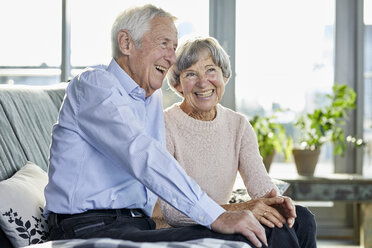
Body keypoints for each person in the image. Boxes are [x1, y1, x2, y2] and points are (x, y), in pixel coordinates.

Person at [44, 4, 301, 248]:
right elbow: (144, 155)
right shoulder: (95, 85)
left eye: (174, 47)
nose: (171, 57)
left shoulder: (150, 98)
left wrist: (269, 205)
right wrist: (219, 216)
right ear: (126, 43)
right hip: (89, 227)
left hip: (137, 225)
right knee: (240, 238)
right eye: (164, 44)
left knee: (287, 225)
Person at [158, 36, 317, 248]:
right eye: (191, 74)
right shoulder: (164, 125)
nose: (203, 82)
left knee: (303, 219)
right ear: (177, 84)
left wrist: (276, 202)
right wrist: (238, 210)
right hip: (182, 225)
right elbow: (171, 211)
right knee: (268, 233)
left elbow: (261, 187)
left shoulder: (238, 124)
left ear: (224, 76)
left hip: (225, 217)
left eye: (211, 70)